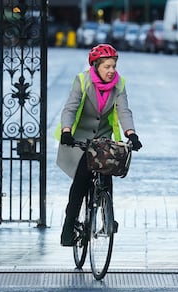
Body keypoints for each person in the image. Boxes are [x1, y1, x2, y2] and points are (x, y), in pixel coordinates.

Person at [56, 44, 142, 246]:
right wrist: (66, 131)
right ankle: (68, 226)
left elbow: (124, 111)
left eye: (114, 66)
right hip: (80, 137)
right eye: (107, 67)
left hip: (103, 137)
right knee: (81, 179)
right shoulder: (83, 80)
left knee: (106, 171)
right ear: (96, 66)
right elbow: (70, 107)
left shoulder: (119, 84)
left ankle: (107, 217)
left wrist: (132, 133)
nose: (112, 71)